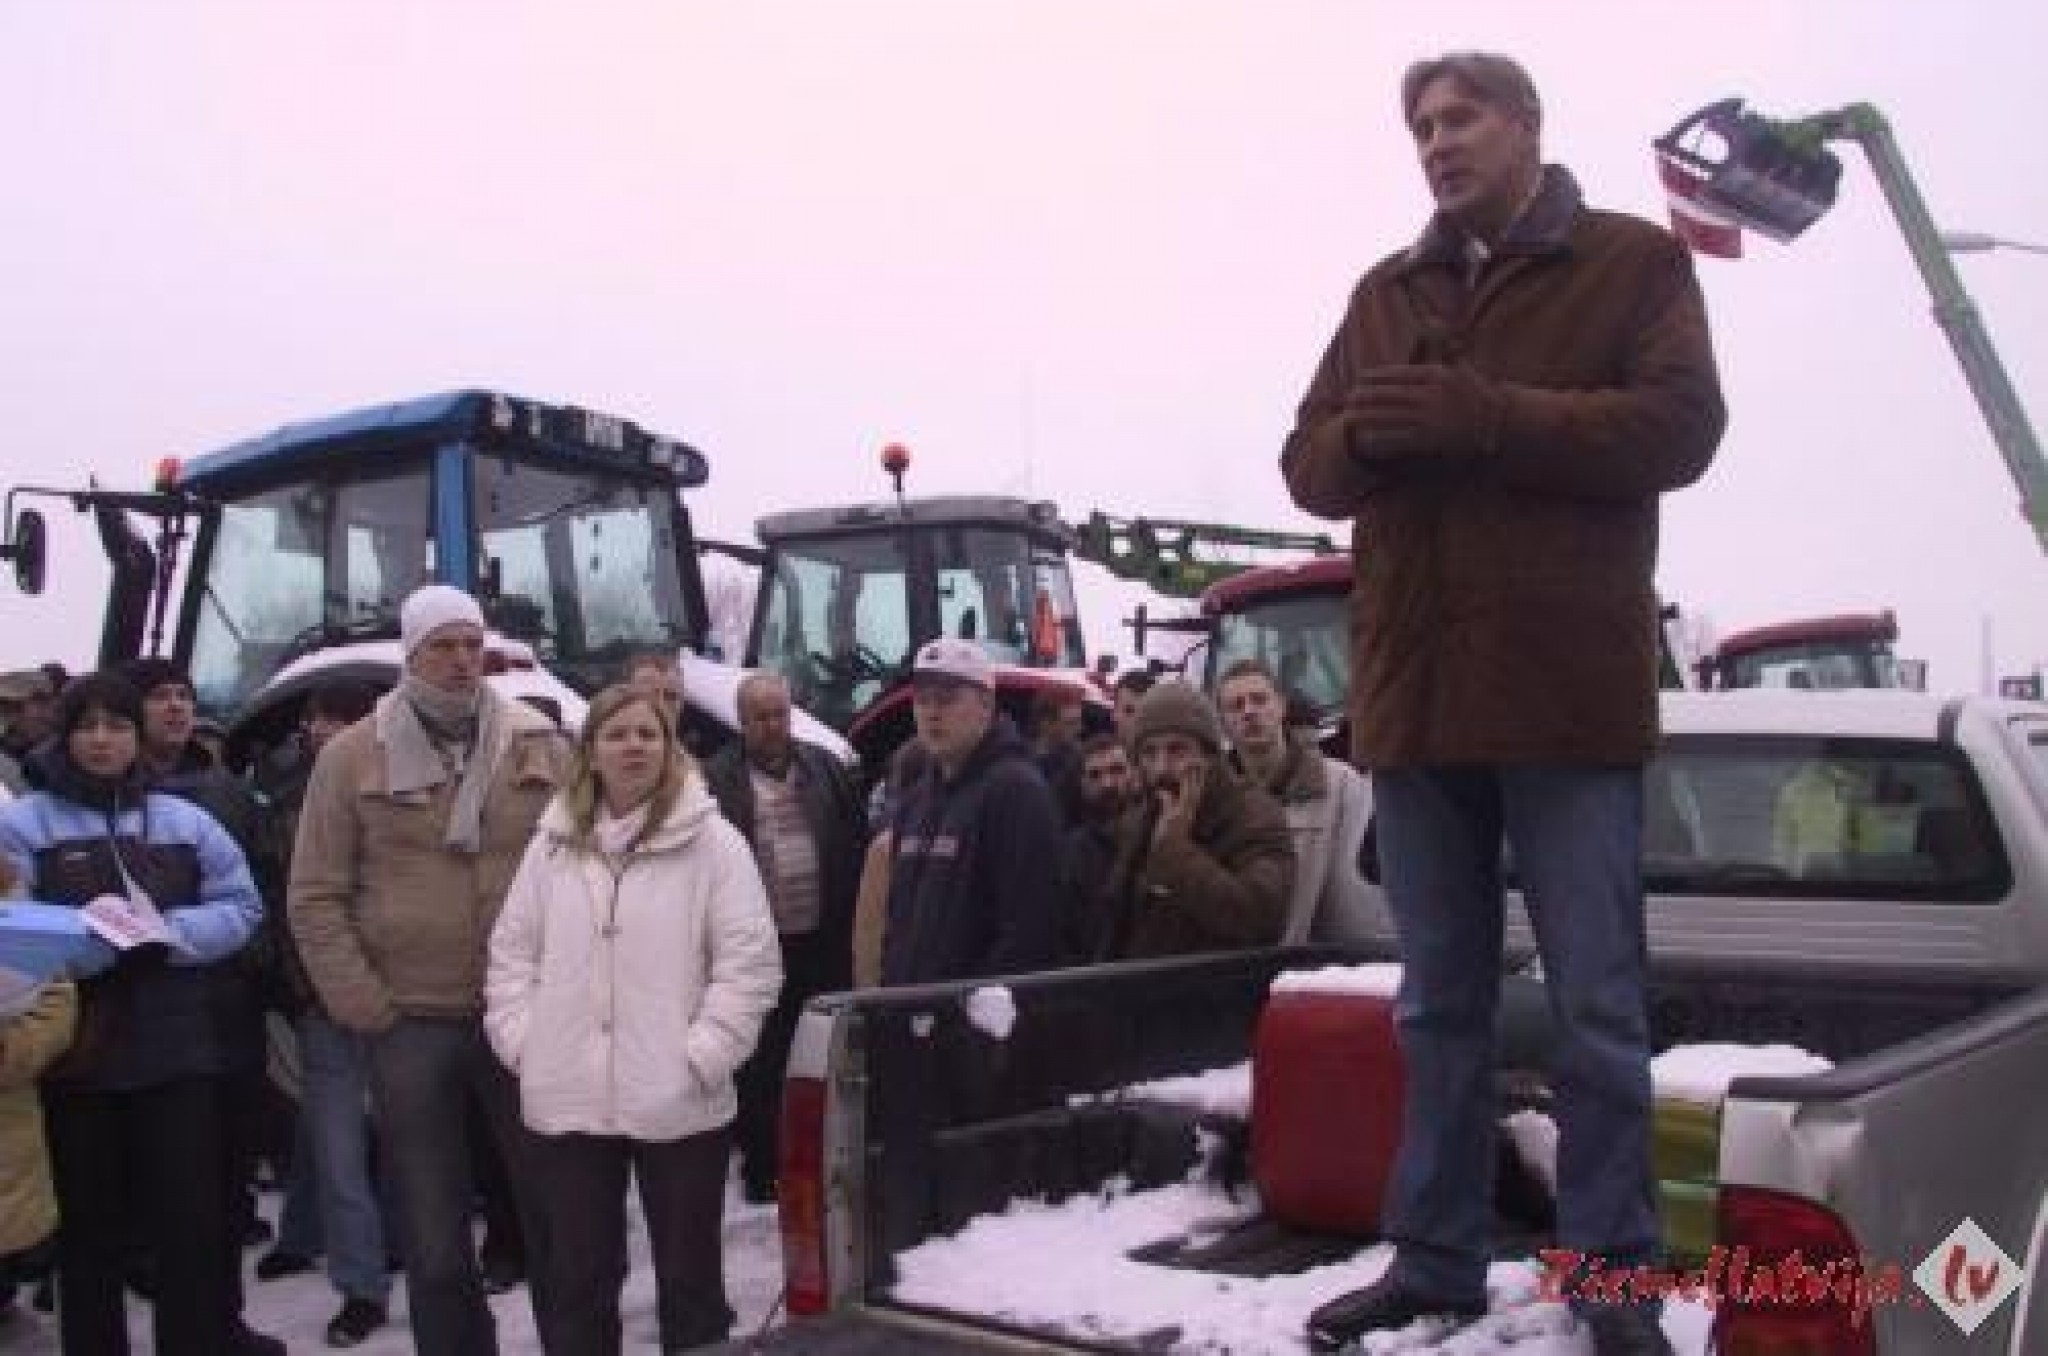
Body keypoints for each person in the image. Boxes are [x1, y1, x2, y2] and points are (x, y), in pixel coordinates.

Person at [1278, 52, 1725, 1356]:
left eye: (1461, 116)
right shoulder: (1385, 291)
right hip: (1415, 702)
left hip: (1565, 693)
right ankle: (1435, 1260)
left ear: (1526, 126)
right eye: (1420, 124)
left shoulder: (1630, 262)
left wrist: (1489, 417)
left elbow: (1681, 430)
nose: (1436, 139)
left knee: (1596, 1004)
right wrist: (1365, 439)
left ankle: (1611, 1277)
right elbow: (1307, 458)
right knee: (1437, 1007)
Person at [290, 584, 569, 1356]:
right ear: (409, 656)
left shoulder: (536, 739)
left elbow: (583, 865)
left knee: (552, 1217)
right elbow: (315, 895)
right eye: (441, 646)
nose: (459, 661)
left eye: (471, 645)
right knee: (434, 1230)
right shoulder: (352, 757)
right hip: (409, 1022)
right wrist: (365, 1006)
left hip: (521, 1018)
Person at [486, 684, 781, 1355]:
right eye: (617, 734)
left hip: (678, 1095)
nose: (634, 746)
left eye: (649, 734)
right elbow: (510, 953)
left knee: (691, 1285)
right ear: (590, 751)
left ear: (669, 748)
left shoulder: (713, 842)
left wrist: (702, 1055)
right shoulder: (553, 845)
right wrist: (528, 1045)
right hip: (569, 1094)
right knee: (578, 1280)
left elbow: (750, 963)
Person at [0, 672, 271, 1355]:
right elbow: (8, 922)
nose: (101, 741)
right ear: (66, 735)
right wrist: (83, 935)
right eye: (86, 727)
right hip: (77, 1063)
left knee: (189, 1232)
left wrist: (173, 935)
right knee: (90, 1241)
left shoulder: (186, 820)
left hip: (177, 1056)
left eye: (116, 726)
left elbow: (242, 906)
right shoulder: (22, 824)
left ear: (136, 736)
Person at [253, 677, 395, 1347]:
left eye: (345, 719)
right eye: (319, 720)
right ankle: (362, 1285)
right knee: (339, 1143)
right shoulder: (284, 806)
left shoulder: (408, 797)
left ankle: (316, 1234)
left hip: (402, 995)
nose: (326, 731)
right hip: (321, 998)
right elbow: (281, 907)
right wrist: (300, 988)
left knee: (359, 1133)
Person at [704, 672, 867, 1204]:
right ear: (742, 722)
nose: (772, 726)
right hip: (758, 945)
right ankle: (762, 1165)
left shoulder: (826, 770)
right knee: (761, 1061)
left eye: (779, 713)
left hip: (821, 937)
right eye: (759, 717)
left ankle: (826, 1157)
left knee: (824, 1054)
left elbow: (854, 840)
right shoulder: (717, 780)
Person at [879, 639, 1065, 985]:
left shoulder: (1017, 793)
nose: (931, 713)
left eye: (947, 699)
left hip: (974, 1024)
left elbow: (1031, 928)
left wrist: (969, 1013)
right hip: (909, 1017)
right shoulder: (914, 802)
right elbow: (897, 922)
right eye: (922, 700)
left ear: (986, 704)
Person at [1091, 680, 1293, 960]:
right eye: (1149, 753)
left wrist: (1176, 851)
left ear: (1209, 756)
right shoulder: (1138, 821)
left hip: (1218, 993)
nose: (1162, 767)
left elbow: (1261, 918)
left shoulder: (1254, 815)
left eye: (1177, 750)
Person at [1215, 659, 1386, 945]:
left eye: (1259, 700)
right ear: (1222, 720)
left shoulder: (1340, 785)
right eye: (1236, 705)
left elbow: (1358, 893)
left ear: (1280, 706)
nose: (1249, 711)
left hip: (1325, 965)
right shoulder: (1217, 802)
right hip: (1244, 964)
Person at [1058, 732, 1138, 962]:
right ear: (1082, 784)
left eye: (1117, 770)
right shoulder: (1070, 854)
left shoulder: (1160, 836)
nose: (1108, 784)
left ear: (1134, 772)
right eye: (1095, 775)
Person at [1110, 669, 1155, 747]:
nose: (1137, 720)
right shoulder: (1093, 756)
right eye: (1129, 711)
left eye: (1144, 713)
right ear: (1114, 714)